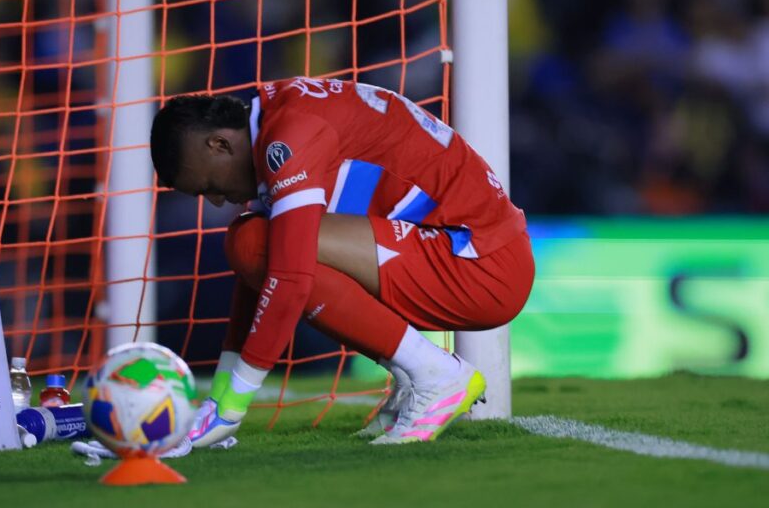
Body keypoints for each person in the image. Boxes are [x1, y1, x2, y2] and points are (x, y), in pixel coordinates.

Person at [149, 76, 535, 447]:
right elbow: (259, 278)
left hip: (482, 266)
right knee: (255, 241)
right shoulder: (279, 115)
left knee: (257, 243)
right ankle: (414, 373)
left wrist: (231, 408)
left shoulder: (288, 137)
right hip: (466, 251)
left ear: (219, 144)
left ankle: (436, 373)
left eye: (210, 188)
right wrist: (219, 395)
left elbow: (288, 276)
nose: (217, 201)